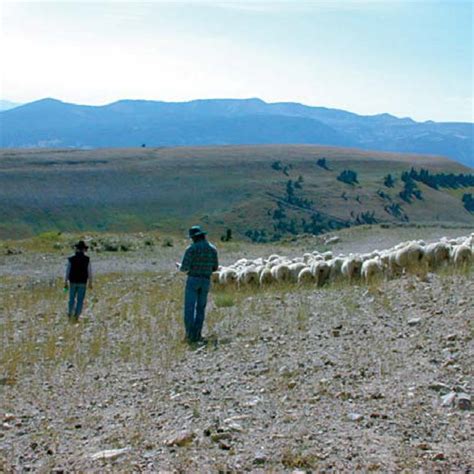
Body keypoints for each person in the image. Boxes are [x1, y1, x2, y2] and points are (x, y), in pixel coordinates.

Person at [177, 226, 219, 343]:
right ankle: (197, 334)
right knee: (201, 308)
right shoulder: (212, 249)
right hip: (206, 280)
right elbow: (215, 267)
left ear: (194, 237)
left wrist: (179, 267)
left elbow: (184, 268)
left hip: (193, 280)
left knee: (189, 308)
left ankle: (189, 336)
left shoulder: (191, 249)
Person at [64, 240, 93, 320]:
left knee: (71, 299)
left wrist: (65, 281)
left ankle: (70, 313)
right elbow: (89, 271)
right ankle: (77, 315)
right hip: (82, 282)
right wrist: (90, 282)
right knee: (80, 299)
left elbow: (67, 271)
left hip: (72, 281)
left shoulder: (71, 259)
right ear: (84, 249)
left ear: (76, 249)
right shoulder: (87, 259)